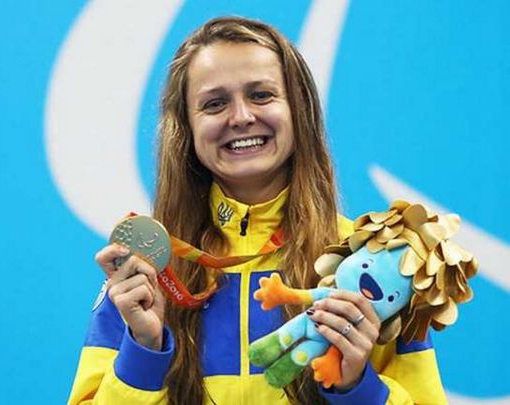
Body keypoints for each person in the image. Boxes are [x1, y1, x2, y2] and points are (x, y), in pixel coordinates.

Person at [68, 16, 447, 404]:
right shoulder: (150, 272)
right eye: (215, 103)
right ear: (186, 126)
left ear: (298, 110)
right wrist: (143, 353)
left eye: (261, 95)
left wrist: (356, 388)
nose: (241, 117)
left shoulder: (370, 264)